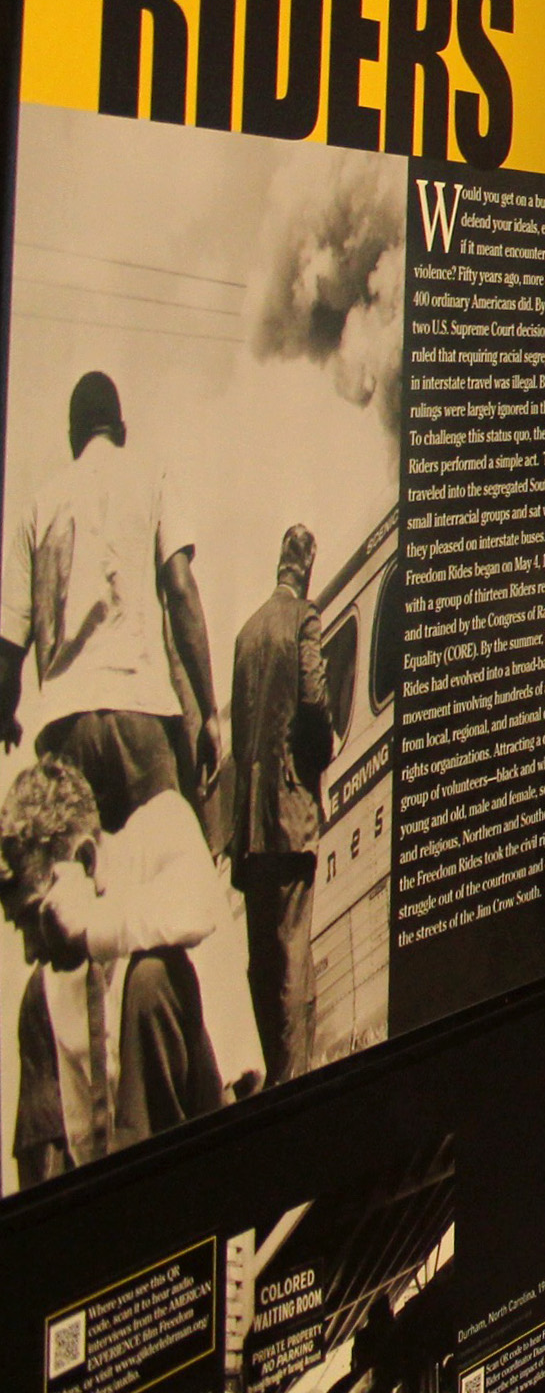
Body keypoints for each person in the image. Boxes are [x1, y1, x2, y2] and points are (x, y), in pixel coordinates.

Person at [0, 373, 224, 832]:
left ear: (72, 439)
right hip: (142, 713)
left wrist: (5, 717)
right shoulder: (152, 476)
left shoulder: (38, 508)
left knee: (84, 889)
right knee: (160, 875)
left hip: (66, 726)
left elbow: (7, 648)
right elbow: (181, 591)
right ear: (122, 432)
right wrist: (209, 712)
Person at [3, 756, 219, 1180]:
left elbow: (200, 905)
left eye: (35, 917)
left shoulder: (158, 828)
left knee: (150, 977)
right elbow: (66, 1148)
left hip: (212, 1152)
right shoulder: (48, 983)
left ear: (84, 860)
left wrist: (90, 928)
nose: (31, 950)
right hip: (119, 1189)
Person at [225, 524, 329, 1086]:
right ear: (307, 565)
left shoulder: (245, 633)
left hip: (250, 824)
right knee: (293, 954)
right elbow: (312, 701)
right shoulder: (303, 619)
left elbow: (243, 734)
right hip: (289, 813)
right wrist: (318, 759)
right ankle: (294, 1086)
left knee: (261, 960)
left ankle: (271, 1077)